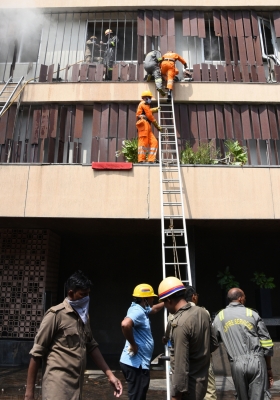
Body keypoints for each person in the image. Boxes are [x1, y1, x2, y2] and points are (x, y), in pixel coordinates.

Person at [24, 270, 122, 400]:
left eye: (88, 294)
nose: (87, 298)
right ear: (71, 293)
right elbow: (36, 354)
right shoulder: (55, 315)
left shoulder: (84, 316)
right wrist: (29, 394)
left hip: (76, 388)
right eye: (83, 294)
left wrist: (110, 375)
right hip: (58, 389)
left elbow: (91, 345)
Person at [158, 276, 218, 400]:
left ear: (169, 300)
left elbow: (181, 366)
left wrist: (176, 396)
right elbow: (213, 343)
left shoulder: (180, 323)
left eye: (163, 302)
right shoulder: (202, 312)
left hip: (187, 390)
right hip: (202, 382)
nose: (164, 305)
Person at [213, 288, 274, 400]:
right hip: (257, 362)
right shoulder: (252, 314)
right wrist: (268, 368)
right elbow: (267, 343)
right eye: (244, 296)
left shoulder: (219, 317)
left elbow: (212, 342)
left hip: (236, 364)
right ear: (240, 298)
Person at [120, 283, 164, 400]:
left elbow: (153, 309)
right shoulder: (138, 311)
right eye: (151, 297)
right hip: (136, 365)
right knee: (137, 397)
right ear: (145, 299)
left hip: (137, 363)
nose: (153, 299)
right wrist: (133, 345)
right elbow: (125, 324)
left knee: (139, 395)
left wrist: (166, 302)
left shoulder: (141, 309)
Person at [185, 287, 217, 400]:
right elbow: (213, 340)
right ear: (194, 296)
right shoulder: (203, 312)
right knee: (209, 391)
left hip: (184, 360)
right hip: (203, 357)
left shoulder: (174, 314)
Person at [136, 90, 162, 164]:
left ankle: (151, 159)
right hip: (143, 123)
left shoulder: (145, 105)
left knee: (154, 142)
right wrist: (157, 126)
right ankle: (141, 160)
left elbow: (147, 111)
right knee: (143, 142)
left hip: (147, 124)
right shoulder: (144, 103)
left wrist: (154, 109)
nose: (150, 99)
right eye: (150, 98)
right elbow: (149, 115)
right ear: (145, 98)